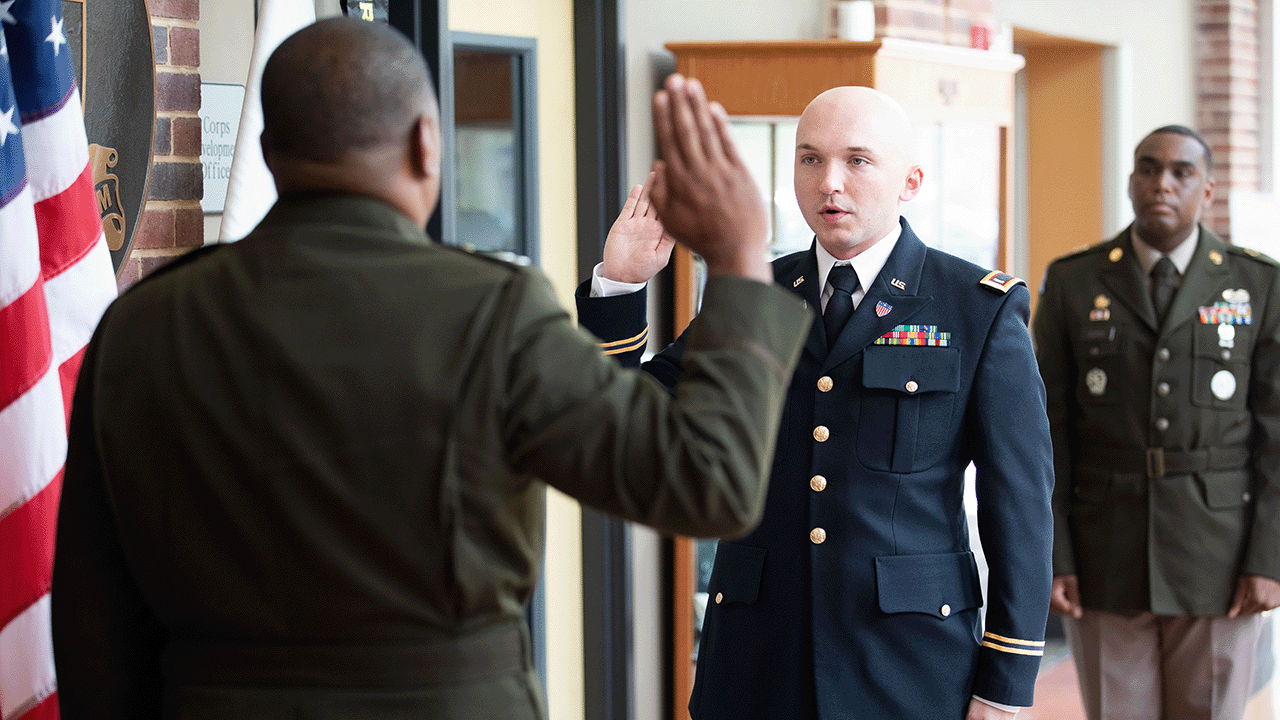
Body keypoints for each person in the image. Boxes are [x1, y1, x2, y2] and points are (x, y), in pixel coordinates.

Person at [49, 18, 812, 720]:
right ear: (425, 143)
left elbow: (92, 609)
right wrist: (741, 259)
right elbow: (706, 483)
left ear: (270, 152)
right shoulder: (493, 314)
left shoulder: (144, 325)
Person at [578, 86, 1054, 719]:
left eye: (858, 161)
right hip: (757, 660)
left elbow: (1019, 506)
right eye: (810, 159)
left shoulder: (975, 307)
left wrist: (1007, 681)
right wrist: (621, 285)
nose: (830, 182)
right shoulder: (753, 293)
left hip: (908, 663)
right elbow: (623, 425)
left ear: (910, 181)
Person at [1034, 124, 1280, 720]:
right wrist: (1055, 554)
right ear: (1130, 181)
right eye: (1147, 168)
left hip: (1217, 555)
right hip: (1103, 548)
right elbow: (1047, 435)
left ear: (1208, 190)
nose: (1161, 183)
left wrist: (1269, 559)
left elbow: (1276, 434)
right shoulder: (1075, 280)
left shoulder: (1257, 283)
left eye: (1180, 171)